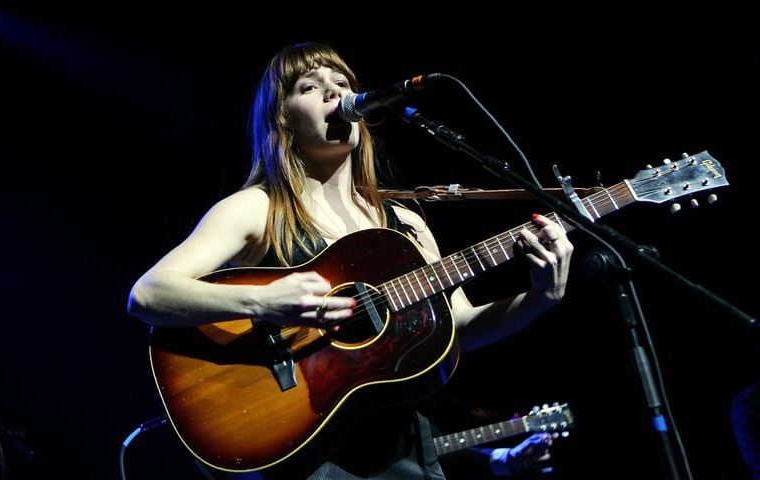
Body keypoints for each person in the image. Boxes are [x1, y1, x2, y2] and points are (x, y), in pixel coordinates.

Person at [127, 41, 573, 479]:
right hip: (314, 454)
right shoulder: (259, 208)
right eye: (309, 86)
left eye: (341, 82)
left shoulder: (404, 222)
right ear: (281, 116)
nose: (334, 93)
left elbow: (456, 330)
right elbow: (149, 294)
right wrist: (261, 303)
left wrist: (539, 299)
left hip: (406, 452)